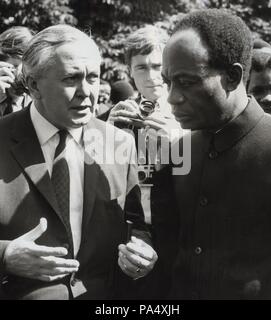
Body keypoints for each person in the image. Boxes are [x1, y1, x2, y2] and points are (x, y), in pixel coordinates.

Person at [0, 25, 157, 300]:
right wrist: (2, 256)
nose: (87, 92)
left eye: (93, 78)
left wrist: (141, 253)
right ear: (34, 85)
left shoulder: (119, 143)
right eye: (71, 79)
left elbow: (136, 224)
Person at [162, 9, 271, 299]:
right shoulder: (181, 151)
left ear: (233, 76)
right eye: (168, 82)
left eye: (186, 82)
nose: (172, 97)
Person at [106, 25, 183, 298]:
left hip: (181, 238)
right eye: (141, 68)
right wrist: (105, 133)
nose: (151, 77)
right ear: (129, 71)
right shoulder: (115, 116)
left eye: (157, 66)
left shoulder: (195, 114)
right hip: (128, 238)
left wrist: (183, 140)